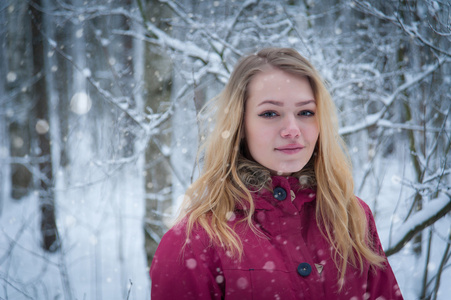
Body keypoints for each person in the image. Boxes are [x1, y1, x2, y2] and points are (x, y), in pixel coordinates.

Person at [150, 47, 403, 299]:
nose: (292, 129)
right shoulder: (192, 243)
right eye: (270, 113)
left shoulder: (351, 218)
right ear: (239, 125)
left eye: (306, 112)